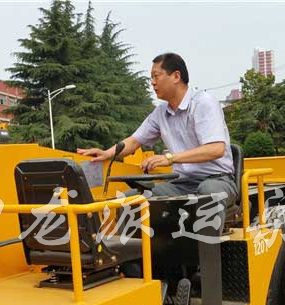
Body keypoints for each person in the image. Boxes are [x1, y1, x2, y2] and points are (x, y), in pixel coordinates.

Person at [77, 52, 236, 226]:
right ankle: (138, 245)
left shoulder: (203, 103)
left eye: (156, 76)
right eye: (151, 77)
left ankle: (207, 244)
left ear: (176, 76)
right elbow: (134, 141)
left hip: (217, 179)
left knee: (208, 194)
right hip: (181, 183)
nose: (152, 82)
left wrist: (170, 158)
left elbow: (216, 149)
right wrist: (107, 153)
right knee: (130, 201)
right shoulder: (161, 112)